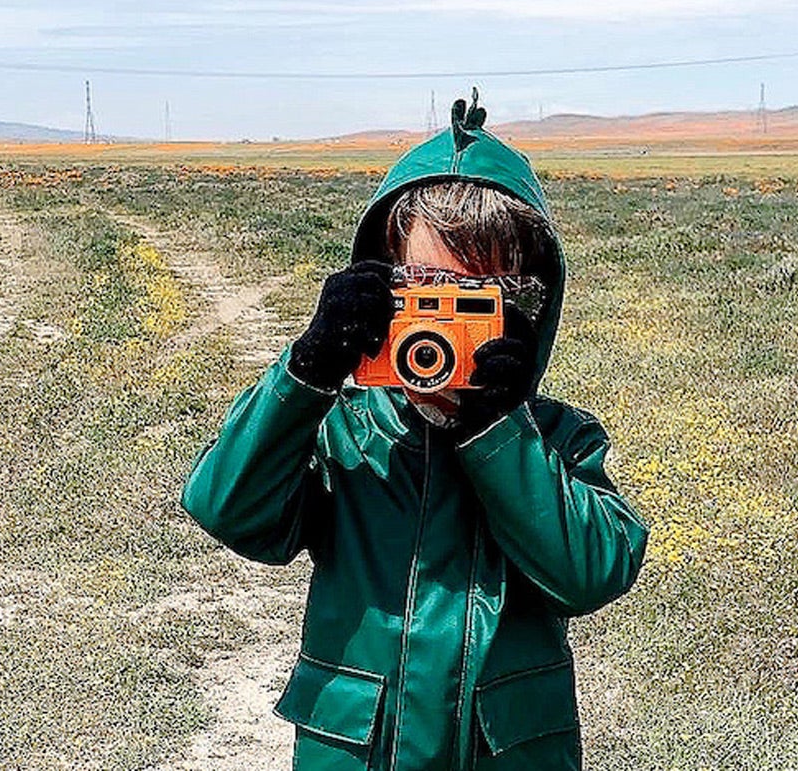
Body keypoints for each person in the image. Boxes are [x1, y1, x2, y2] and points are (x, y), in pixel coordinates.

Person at [182, 95, 648, 771]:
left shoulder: (555, 441)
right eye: (422, 291)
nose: (438, 324)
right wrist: (307, 370)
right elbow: (226, 506)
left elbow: (592, 573)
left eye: (472, 301)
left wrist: (496, 429)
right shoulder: (348, 433)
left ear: (523, 304)